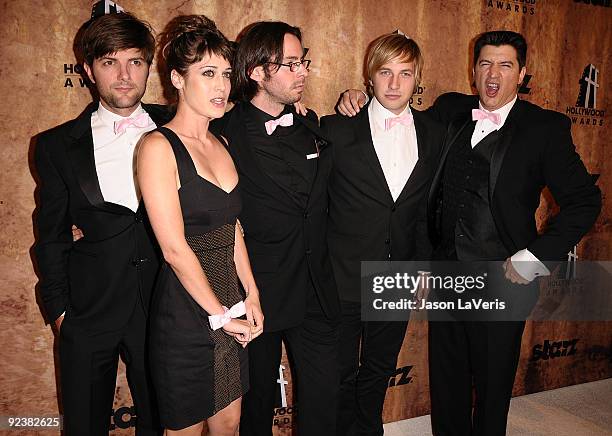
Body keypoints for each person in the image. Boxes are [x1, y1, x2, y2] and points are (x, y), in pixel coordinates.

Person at [338, 30, 601, 436]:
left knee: (492, 391)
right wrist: (356, 98)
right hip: (446, 276)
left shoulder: (544, 129)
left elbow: (586, 201)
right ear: (473, 70)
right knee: (448, 387)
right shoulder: (449, 111)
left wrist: (533, 258)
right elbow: (394, 114)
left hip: (504, 279)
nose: (493, 74)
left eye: (505, 65)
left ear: (522, 73)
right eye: (485, 64)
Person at [34, 11, 169, 435]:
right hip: (87, 311)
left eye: (136, 61)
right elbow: (50, 234)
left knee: (166, 424)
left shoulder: (182, 128)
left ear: (149, 66)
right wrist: (58, 310)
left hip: (166, 308)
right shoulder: (56, 145)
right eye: (111, 62)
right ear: (89, 70)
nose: (125, 75)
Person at [211, 21, 341, 436]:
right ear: (255, 72)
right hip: (256, 295)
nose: (302, 71)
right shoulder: (222, 134)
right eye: (290, 64)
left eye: (303, 61)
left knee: (324, 401)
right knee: (255, 410)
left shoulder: (311, 125)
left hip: (316, 291)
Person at [137, 15, 264, 436]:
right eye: (207, 73)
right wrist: (219, 315)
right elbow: (173, 248)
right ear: (176, 78)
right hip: (186, 315)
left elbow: (233, 230)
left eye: (226, 74)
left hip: (230, 306)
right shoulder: (158, 148)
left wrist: (252, 293)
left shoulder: (221, 142)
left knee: (230, 424)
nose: (221, 86)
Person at [320, 32, 443, 436]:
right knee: (339, 372)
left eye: (404, 74)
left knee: (378, 369)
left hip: (399, 274)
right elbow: (318, 206)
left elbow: (428, 207)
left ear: (416, 78)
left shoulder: (434, 132)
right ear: (369, 77)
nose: (394, 84)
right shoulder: (335, 128)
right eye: (385, 72)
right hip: (342, 273)